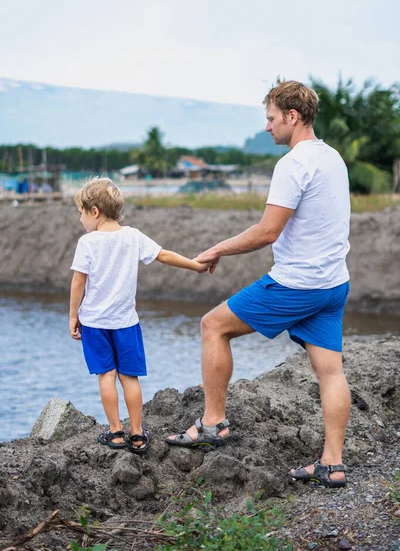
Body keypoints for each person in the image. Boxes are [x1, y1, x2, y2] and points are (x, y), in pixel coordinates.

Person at [167, 80, 351, 489]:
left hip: (297, 285)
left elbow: (267, 232)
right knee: (331, 373)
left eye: (270, 118)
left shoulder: (294, 163)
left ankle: (214, 422)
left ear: (292, 116)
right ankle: (332, 465)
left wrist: (216, 249)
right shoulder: (333, 157)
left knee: (213, 325)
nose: (267, 127)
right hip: (333, 283)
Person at [70, 177, 212, 454]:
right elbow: (165, 255)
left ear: (95, 211)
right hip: (126, 323)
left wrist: (72, 316)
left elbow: (78, 283)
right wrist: (195, 266)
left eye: (81, 213)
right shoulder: (133, 236)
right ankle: (137, 433)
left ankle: (115, 433)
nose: (80, 219)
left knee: (106, 376)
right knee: (129, 377)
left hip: (94, 324)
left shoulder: (87, 243)